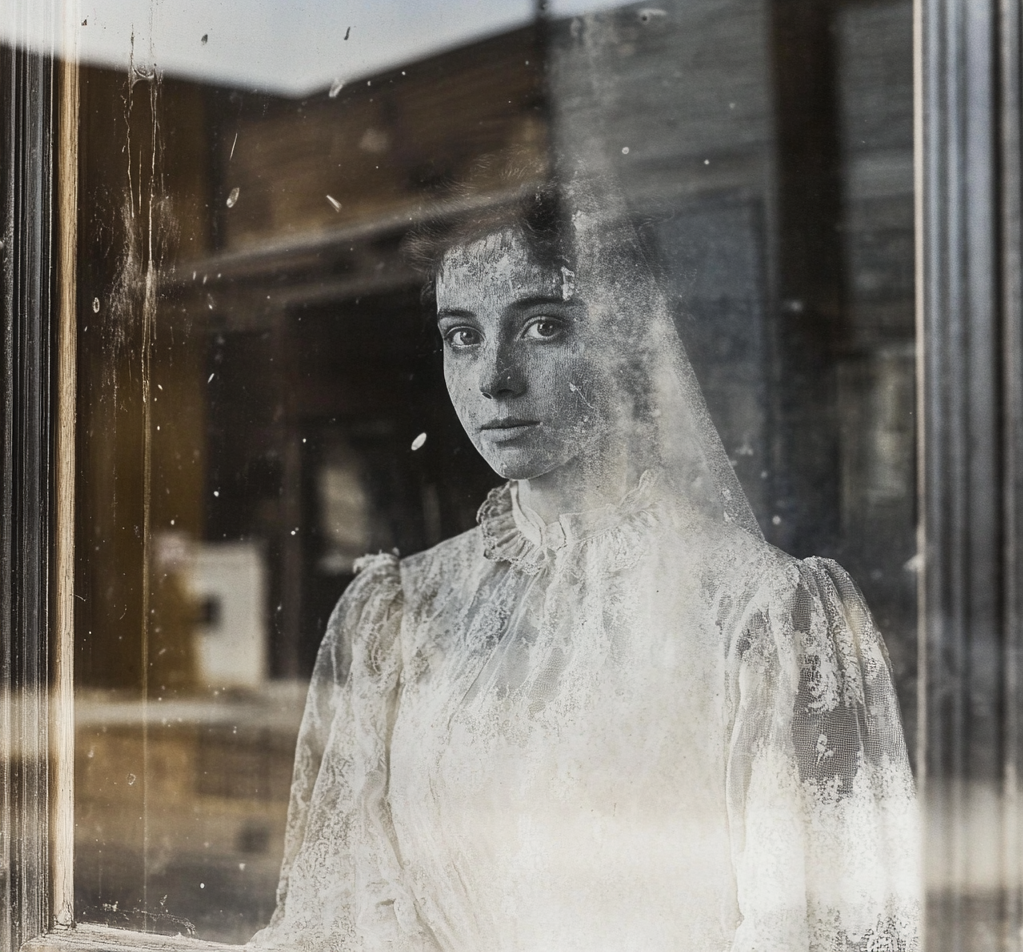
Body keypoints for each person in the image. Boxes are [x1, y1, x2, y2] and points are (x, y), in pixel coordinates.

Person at [250, 176, 920, 952]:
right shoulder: (402, 612)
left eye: (541, 326)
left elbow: (806, 928)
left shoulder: (759, 612)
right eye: (462, 335)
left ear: (631, 339)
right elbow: (347, 912)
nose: (494, 378)